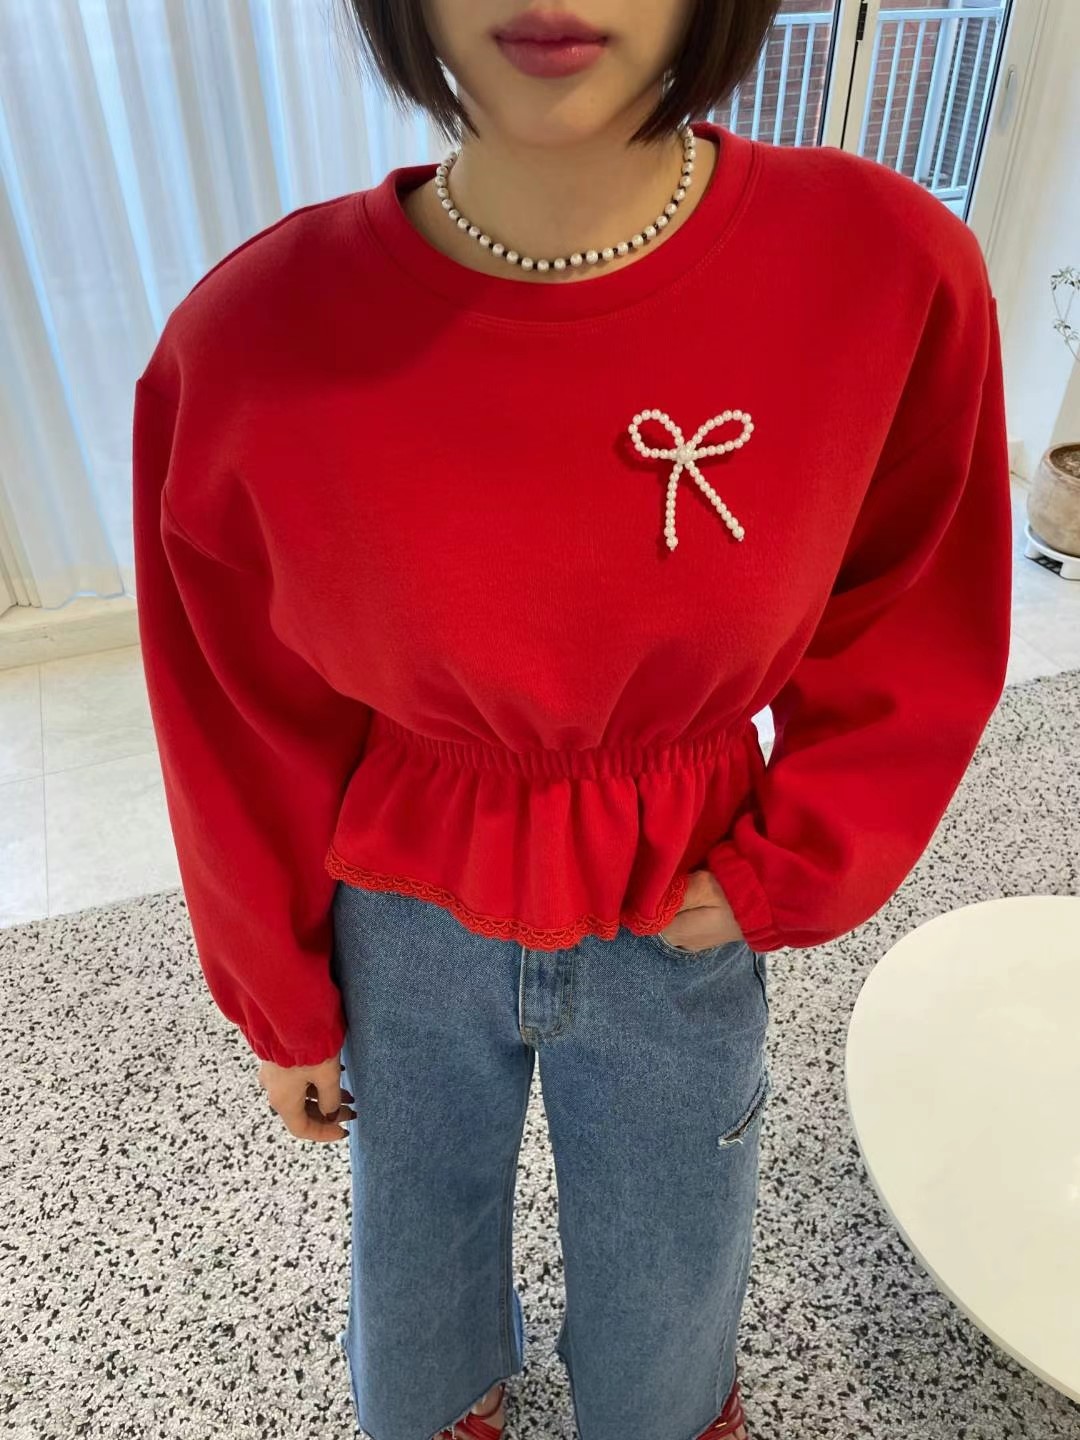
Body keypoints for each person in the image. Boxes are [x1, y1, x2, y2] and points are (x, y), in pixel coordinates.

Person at [131, 0, 1013, 1436]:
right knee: (412, 1219)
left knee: (675, 1229)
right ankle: (440, 1395)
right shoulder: (253, 337)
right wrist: (276, 993)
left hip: (685, 887)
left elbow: (916, 604)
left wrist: (799, 857)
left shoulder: (885, 270)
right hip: (402, 899)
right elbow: (233, 709)